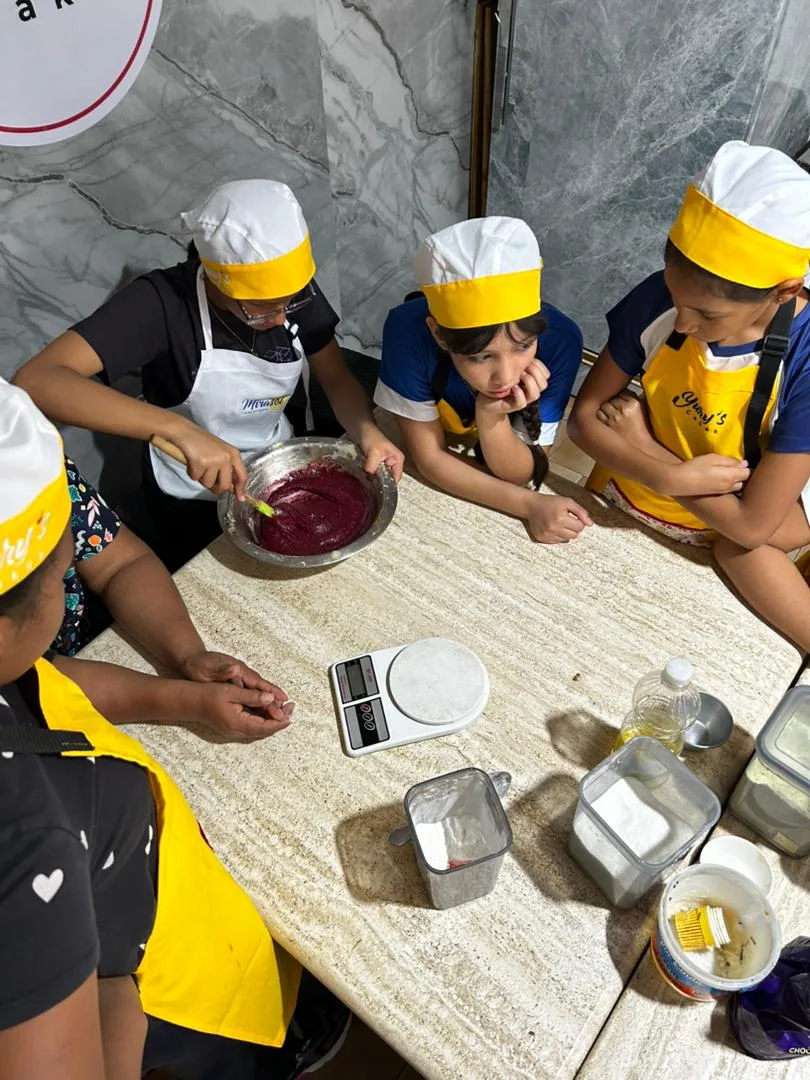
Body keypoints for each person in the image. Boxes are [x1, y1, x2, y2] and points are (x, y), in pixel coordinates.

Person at [0, 380, 351, 1079]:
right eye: (66, 562)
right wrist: (122, 999)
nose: (78, 556)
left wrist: (184, 691)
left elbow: (43, 682)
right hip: (156, 989)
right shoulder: (22, 847)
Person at [13, 179, 404, 568]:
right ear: (219, 280)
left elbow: (335, 379)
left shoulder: (287, 290)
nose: (284, 316)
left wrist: (366, 431)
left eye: (292, 301)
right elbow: (38, 380)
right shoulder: (160, 304)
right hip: (187, 496)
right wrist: (177, 430)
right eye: (263, 308)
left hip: (276, 465)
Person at [568, 141, 810, 651]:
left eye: (708, 316)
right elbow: (583, 421)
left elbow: (752, 528)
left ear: (784, 293)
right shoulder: (659, 297)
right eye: (678, 300)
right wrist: (665, 473)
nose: (682, 323)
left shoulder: (804, 361)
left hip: (716, 527)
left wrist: (647, 450)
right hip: (627, 491)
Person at [374, 217, 591, 544]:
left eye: (523, 347)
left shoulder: (561, 342)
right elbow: (430, 459)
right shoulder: (407, 333)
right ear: (438, 335)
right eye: (480, 356)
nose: (506, 376)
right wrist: (528, 505)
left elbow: (521, 473)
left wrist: (491, 418)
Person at [53, 452, 294, 740]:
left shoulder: (39, 471)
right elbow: (31, 683)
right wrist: (186, 701)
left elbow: (117, 564)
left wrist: (189, 654)